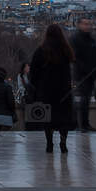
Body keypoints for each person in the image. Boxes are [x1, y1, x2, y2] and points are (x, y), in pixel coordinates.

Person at [29, 23, 76, 153]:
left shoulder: (41, 51)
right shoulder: (66, 50)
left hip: (46, 90)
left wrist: (36, 86)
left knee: (47, 119)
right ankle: (63, 142)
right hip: (63, 90)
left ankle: (49, 143)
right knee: (64, 119)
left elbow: (33, 72)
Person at [68, 17, 96, 133]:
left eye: (88, 24)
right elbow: (75, 57)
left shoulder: (90, 39)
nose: (87, 26)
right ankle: (81, 124)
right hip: (82, 74)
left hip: (90, 73)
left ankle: (84, 124)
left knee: (86, 99)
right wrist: (86, 69)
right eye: (85, 24)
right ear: (79, 25)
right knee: (83, 98)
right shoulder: (76, 39)